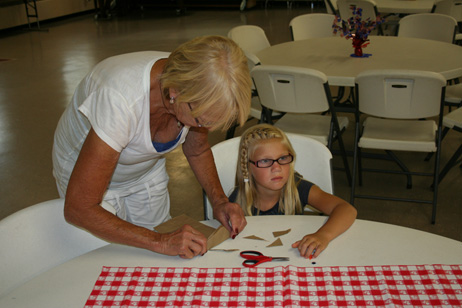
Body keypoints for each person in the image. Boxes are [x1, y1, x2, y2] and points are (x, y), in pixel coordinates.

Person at [52, 35, 252, 259]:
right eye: (202, 122)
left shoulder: (194, 84)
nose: (206, 128)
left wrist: (220, 202)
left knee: (158, 257)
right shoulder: (120, 100)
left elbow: (197, 149)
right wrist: (161, 241)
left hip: (144, 169)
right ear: (175, 92)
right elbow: (79, 208)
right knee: (106, 257)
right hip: (85, 175)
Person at [229, 124, 357, 259]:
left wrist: (323, 235)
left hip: (294, 255)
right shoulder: (236, 199)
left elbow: (347, 209)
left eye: (283, 158)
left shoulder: (298, 187)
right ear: (247, 168)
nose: (277, 168)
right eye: (265, 161)